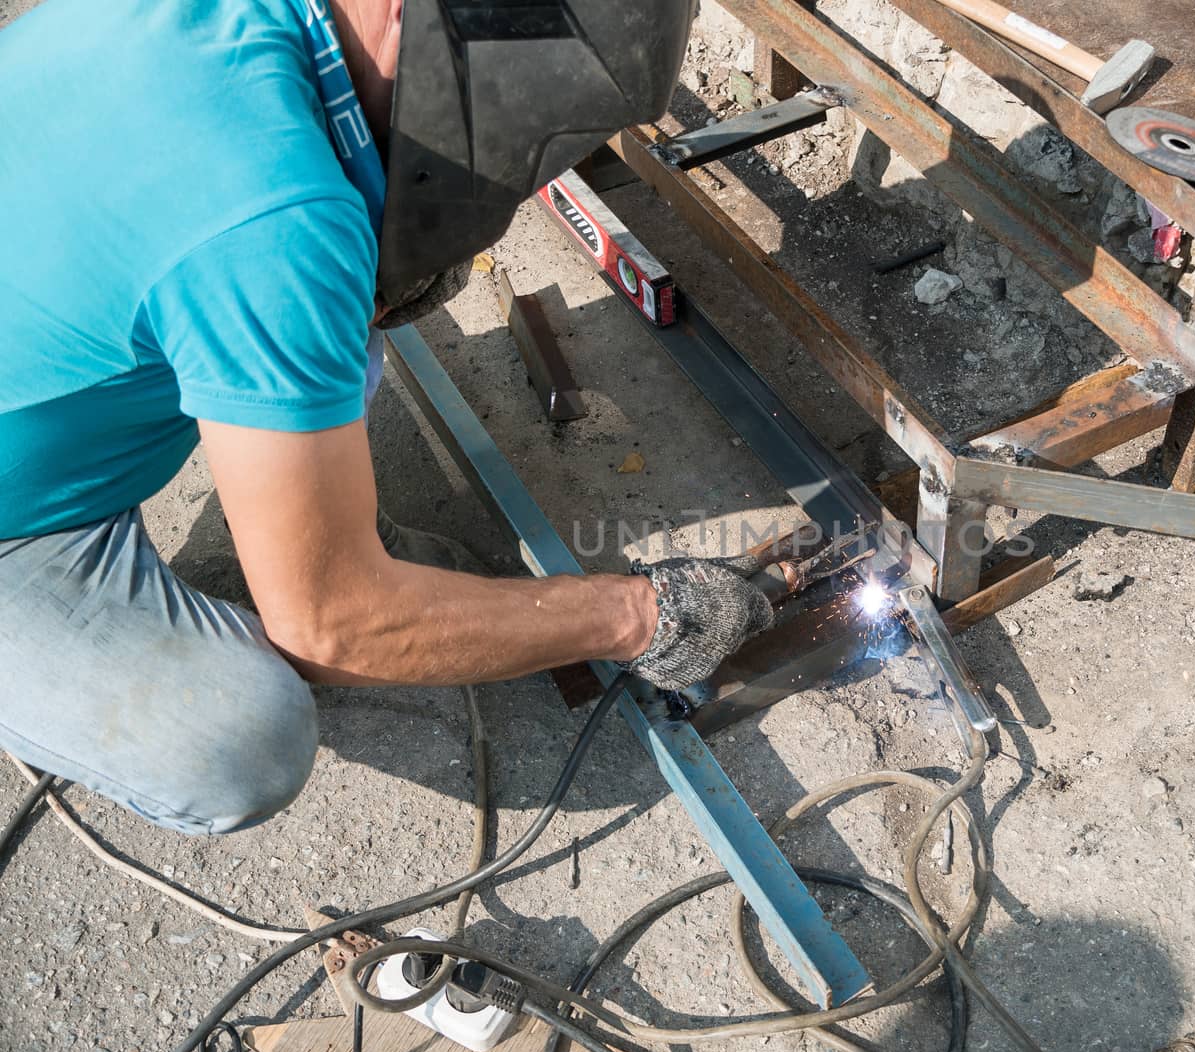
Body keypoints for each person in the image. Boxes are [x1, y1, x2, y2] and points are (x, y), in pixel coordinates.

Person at [0, 0, 772, 835]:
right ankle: (284, 572)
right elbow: (329, 623)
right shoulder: (277, 217)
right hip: (24, 525)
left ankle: (316, 540)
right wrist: (641, 617)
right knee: (240, 736)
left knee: (353, 271)